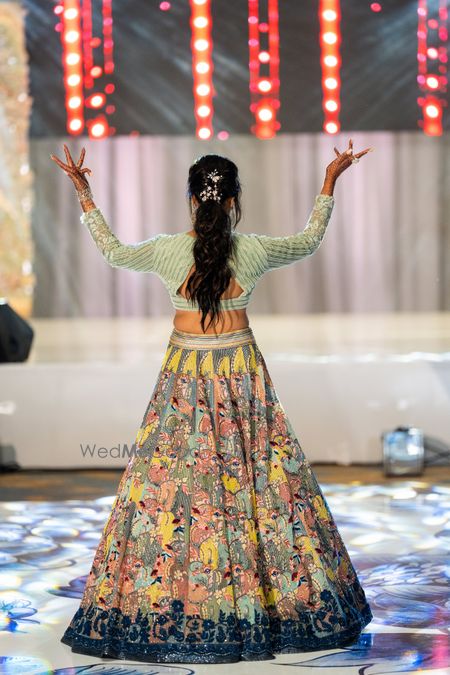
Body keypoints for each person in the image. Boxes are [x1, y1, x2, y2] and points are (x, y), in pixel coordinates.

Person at [50, 140, 373, 664]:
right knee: (259, 478)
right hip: (240, 373)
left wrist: (84, 193)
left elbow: (112, 252)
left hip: (186, 371)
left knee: (176, 483)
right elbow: (310, 241)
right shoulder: (255, 250)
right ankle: (268, 602)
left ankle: (181, 596)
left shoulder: (164, 249)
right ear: (233, 201)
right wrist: (330, 179)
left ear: (190, 200)